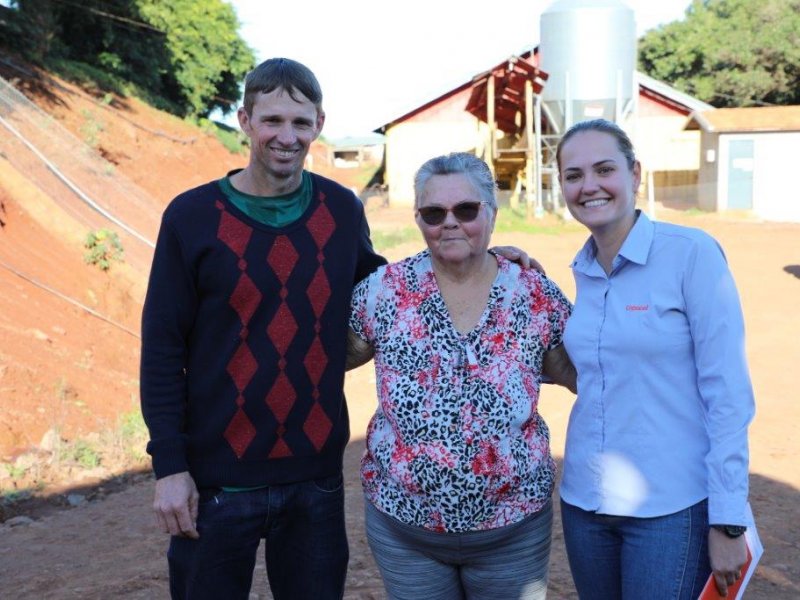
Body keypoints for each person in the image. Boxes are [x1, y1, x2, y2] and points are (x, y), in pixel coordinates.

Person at [140, 58, 535, 599]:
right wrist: (170, 467)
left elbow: (389, 286)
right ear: (245, 121)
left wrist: (479, 257)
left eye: (300, 123)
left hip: (315, 477)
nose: (287, 136)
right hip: (218, 478)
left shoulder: (340, 209)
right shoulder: (191, 217)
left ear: (319, 123)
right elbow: (163, 349)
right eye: (272, 120)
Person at [346, 152, 577, 600]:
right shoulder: (382, 291)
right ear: (418, 219)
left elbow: (578, 371)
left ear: (492, 212)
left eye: (466, 210)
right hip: (405, 531)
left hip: (513, 530)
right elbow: (330, 356)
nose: (449, 223)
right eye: (434, 213)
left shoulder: (533, 293)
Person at [555, 118, 755, 599]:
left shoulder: (691, 255)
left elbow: (727, 392)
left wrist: (728, 520)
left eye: (604, 169)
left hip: (668, 508)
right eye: (573, 175)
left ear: (635, 173)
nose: (589, 186)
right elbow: (588, 366)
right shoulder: (582, 268)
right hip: (585, 503)